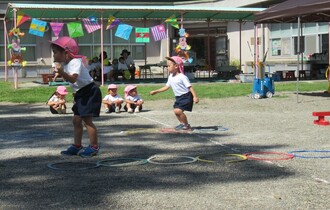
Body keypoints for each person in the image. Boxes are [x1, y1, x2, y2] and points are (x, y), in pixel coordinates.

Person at [50, 36, 102, 158]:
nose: (54, 55)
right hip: (81, 93)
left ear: (66, 53)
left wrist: (61, 72)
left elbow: (73, 78)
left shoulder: (75, 62)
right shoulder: (67, 63)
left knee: (87, 121)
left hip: (89, 92)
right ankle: (77, 145)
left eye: (55, 52)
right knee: (76, 120)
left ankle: (94, 146)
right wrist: (60, 73)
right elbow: (74, 82)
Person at [150, 56, 199, 130]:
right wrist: (157, 91)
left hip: (186, 96)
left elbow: (190, 87)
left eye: (169, 66)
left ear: (176, 66)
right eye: (167, 66)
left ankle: (186, 125)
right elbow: (167, 86)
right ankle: (182, 124)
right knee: (176, 112)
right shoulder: (171, 76)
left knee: (178, 111)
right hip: (178, 97)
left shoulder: (182, 77)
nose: (167, 67)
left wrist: (195, 97)